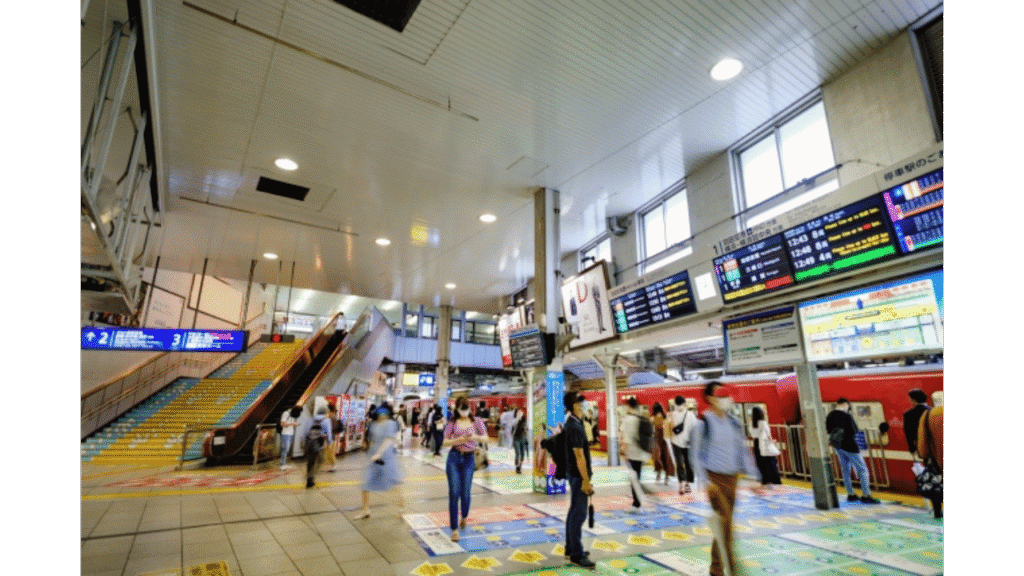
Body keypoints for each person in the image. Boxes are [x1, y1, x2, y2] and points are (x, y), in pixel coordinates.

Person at [691, 382, 765, 576]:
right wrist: (705, 482)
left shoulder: (735, 423)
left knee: (725, 526)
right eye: (720, 395)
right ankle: (733, 570)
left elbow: (742, 452)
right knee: (726, 526)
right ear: (710, 399)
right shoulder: (703, 425)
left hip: (732, 480)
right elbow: (695, 456)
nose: (726, 399)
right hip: (714, 481)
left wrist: (754, 477)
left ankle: (715, 569)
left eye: (726, 394)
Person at [441, 396, 488, 542]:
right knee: (454, 493)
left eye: (466, 409)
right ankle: (454, 529)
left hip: (469, 459)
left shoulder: (477, 422)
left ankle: (464, 516)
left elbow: (486, 438)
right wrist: (458, 440)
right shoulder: (452, 423)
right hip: (454, 458)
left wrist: (475, 437)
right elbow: (445, 442)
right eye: (461, 409)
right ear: (457, 409)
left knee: (465, 493)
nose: (464, 412)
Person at [562, 391, 596, 568]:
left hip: (574, 474)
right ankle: (576, 554)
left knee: (573, 510)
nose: (583, 404)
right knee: (579, 514)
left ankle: (570, 547)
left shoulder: (573, 423)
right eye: (581, 402)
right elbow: (579, 455)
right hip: (578, 475)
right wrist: (585, 480)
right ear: (574, 406)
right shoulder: (574, 426)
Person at [825, 398, 881, 504]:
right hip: (850, 446)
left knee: (845, 470)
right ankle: (866, 495)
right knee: (862, 470)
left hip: (838, 446)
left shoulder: (830, 415)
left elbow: (828, 430)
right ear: (845, 405)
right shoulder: (847, 416)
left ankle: (851, 494)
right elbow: (854, 431)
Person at [355, 405, 403, 519]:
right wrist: (370, 451)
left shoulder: (391, 424)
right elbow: (371, 439)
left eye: (384, 413)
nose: (382, 415)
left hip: (386, 458)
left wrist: (379, 454)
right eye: (380, 413)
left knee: (391, 483)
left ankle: (401, 505)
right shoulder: (374, 424)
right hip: (373, 457)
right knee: (365, 482)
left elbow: (388, 440)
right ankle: (365, 510)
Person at [619, 397, 650, 510]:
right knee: (637, 476)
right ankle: (638, 501)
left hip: (632, 453)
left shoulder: (627, 419)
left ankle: (637, 504)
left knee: (634, 478)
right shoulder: (641, 417)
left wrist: (624, 453)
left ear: (628, 406)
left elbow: (626, 439)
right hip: (641, 452)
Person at [917, 405, 943, 519]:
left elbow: (922, 450)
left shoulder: (928, 414)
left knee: (936, 486)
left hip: (936, 464)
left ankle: (937, 512)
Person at [669, 396, 697, 494]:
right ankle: (687, 485)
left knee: (679, 464)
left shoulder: (671, 414)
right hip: (688, 443)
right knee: (689, 464)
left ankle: (681, 485)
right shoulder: (690, 414)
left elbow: (669, 428)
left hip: (676, 442)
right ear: (684, 403)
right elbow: (695, 429)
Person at [749, 406, 781, 486]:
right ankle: (775, 479)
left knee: (761, 462)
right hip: (764, 442)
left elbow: (753, 435)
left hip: (756, 443)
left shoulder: (751, 423)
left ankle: (765, 480)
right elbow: (768, 435)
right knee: (771, 461)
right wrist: (772, 441)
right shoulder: (763, 423)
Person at [305, 405, 333, 488]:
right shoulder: (326, 420)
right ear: (325, 412)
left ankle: (309, 480)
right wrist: (329, 443)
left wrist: (303, 442)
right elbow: (328, 433)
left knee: (310, 462)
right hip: (318, 443)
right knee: (321, 459)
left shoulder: (311, 419)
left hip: (309, 442)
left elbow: (306, 431)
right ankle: (311, 476)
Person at [650, 402, 675, 484]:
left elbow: (650, 430)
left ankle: (658, 474)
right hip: (665, 440)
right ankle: (666, 477)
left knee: (657, 459)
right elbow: (671, 426)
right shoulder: (666, 416)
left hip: (656, 440)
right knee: (666, 458)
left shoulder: (652, 418)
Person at [902, 389, 930, 458]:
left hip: (921, 445)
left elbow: (908, 433)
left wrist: (912, 448)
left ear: (914, 400)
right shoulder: (932, 411)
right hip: (935, 445)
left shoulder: (908, 414)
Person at [279, 406, 301, 470]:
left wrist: (295, 424)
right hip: (285, 434)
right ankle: (282, 464)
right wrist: (292, 424)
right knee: (285, 449)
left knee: (287, 450)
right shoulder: (286, 413)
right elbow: (282, 424)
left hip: (291, 433)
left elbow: (290, 424)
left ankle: (284, 463)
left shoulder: (292, 415)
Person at [512, 408, 529, 474]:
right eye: (518, 412)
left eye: (520, 411)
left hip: (523, 438)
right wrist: (517, 418)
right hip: (516, 439)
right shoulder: (514, 420)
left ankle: (519, 466)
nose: (520, 413)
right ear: (516, 413)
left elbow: (526, 428)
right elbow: (513, 426)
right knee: (518, 453)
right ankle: (517, 466)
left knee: (522, 455)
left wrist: (526, 430)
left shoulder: (525, 419)